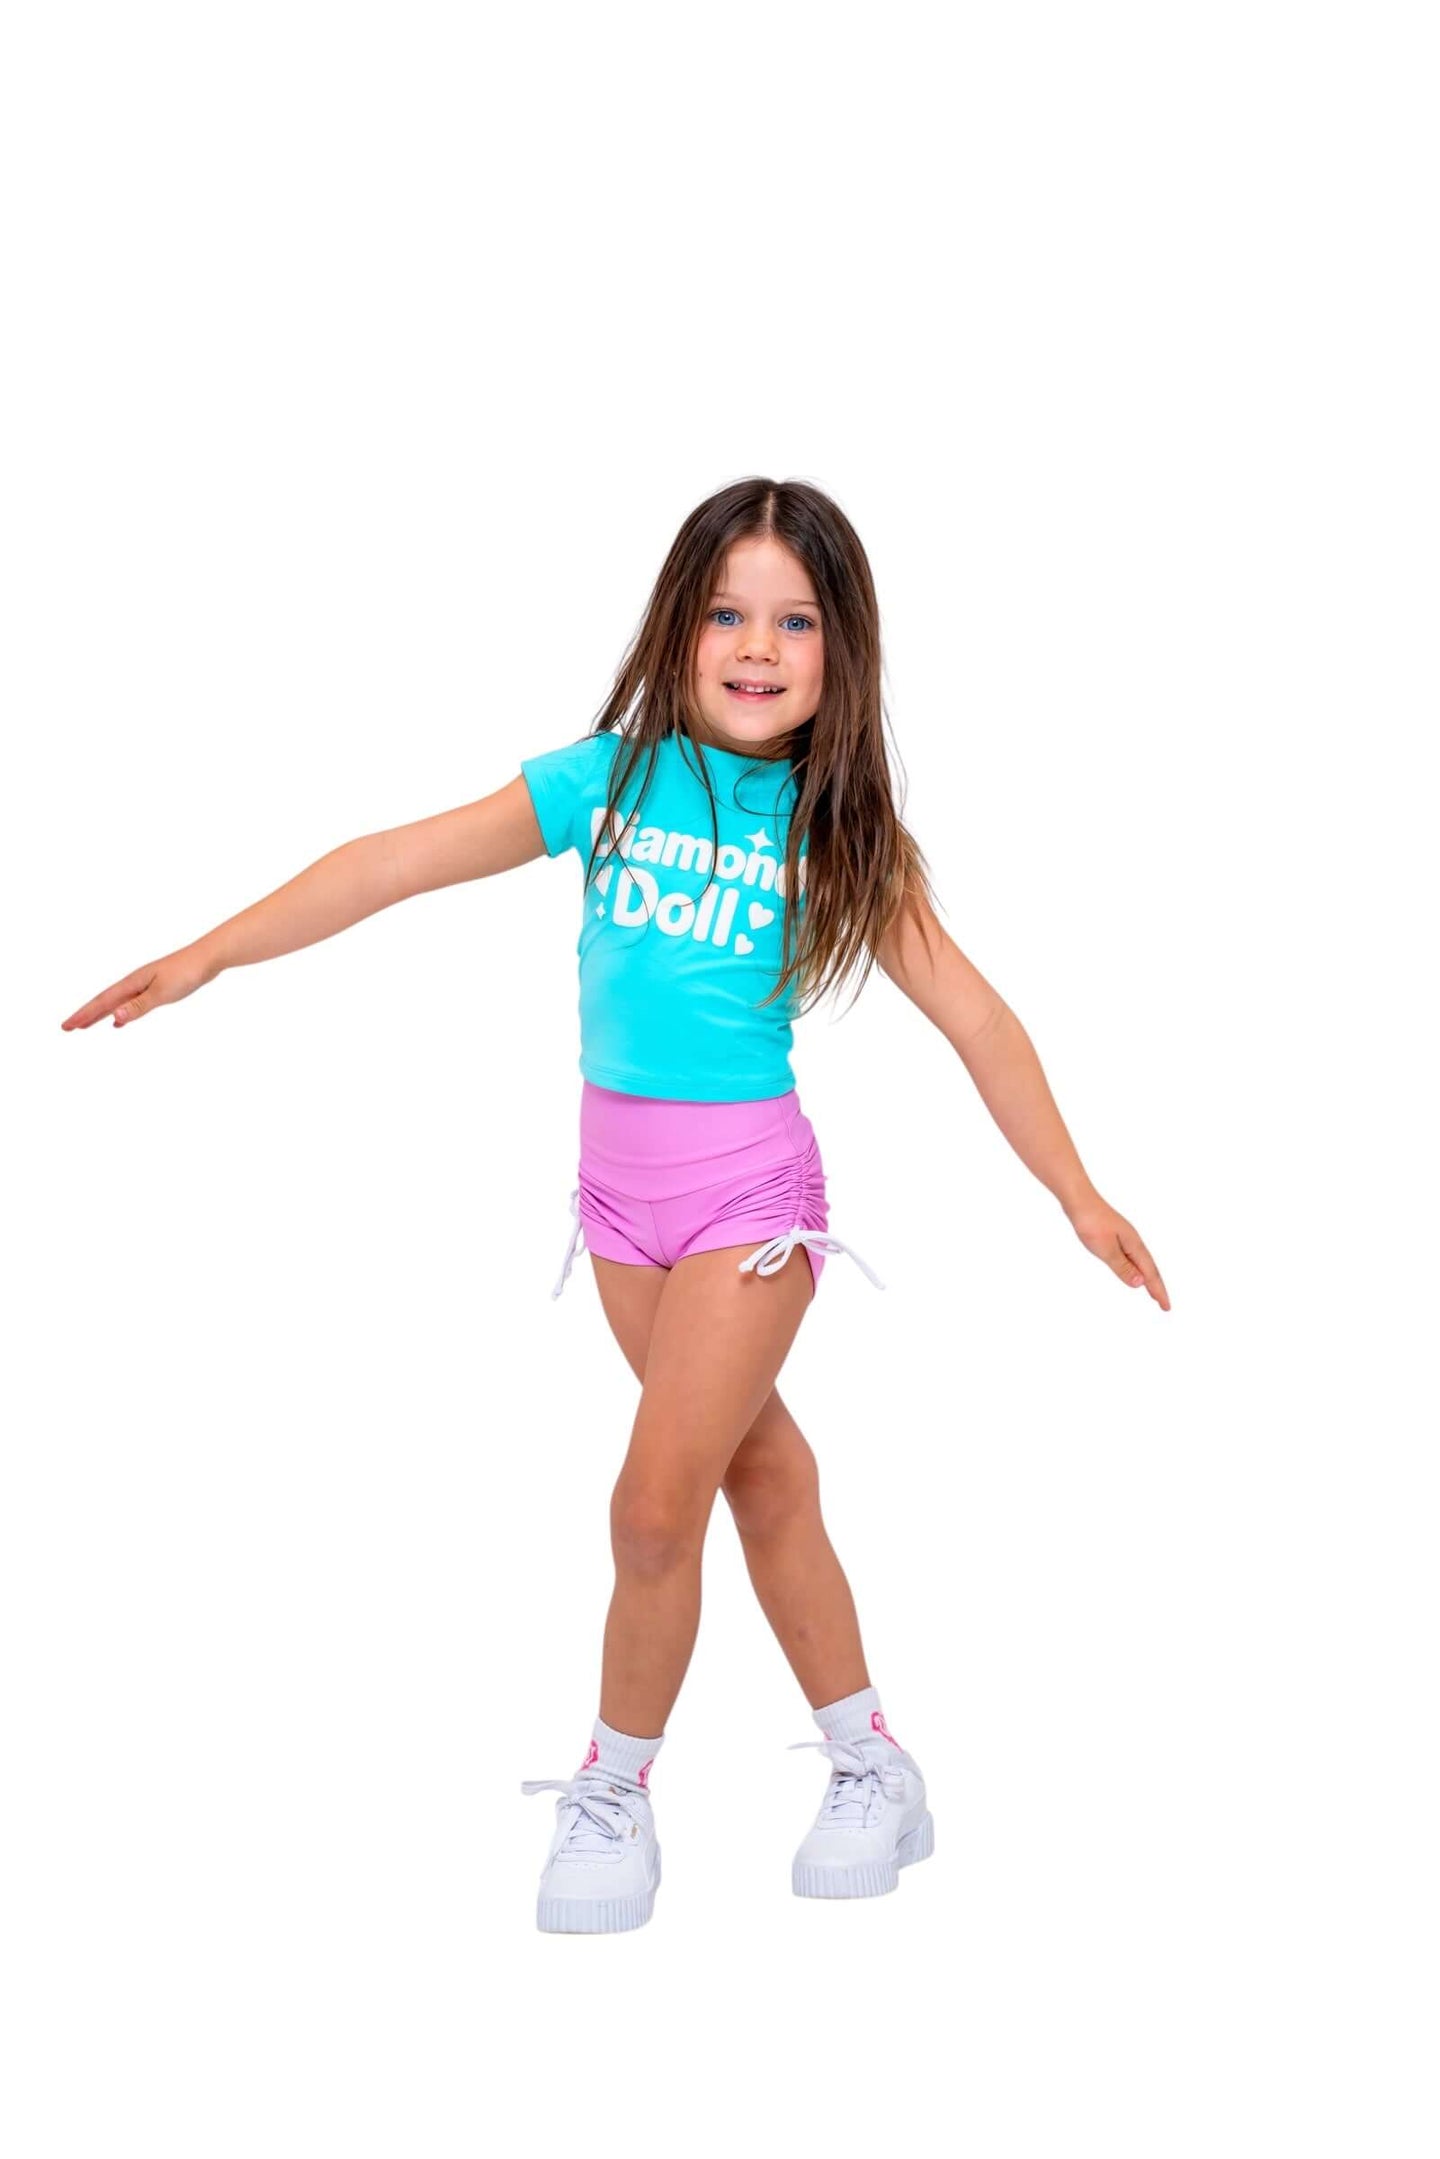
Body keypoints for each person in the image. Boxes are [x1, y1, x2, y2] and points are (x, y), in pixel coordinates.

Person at [61, 475, 1170, 1937]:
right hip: (617, 1210)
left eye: (794, 619)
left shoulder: (838, 832)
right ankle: (872, 1765)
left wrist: (1075, 1194)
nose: (756, 645)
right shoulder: (609, 779)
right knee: (760, 1479)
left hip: (749, 1204)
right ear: (678, 623)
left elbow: (975, 1017)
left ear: (844, 650)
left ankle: (612, 1793)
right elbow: (388, 863)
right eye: (726, 611)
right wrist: (210, 955)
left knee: (652, 1512)